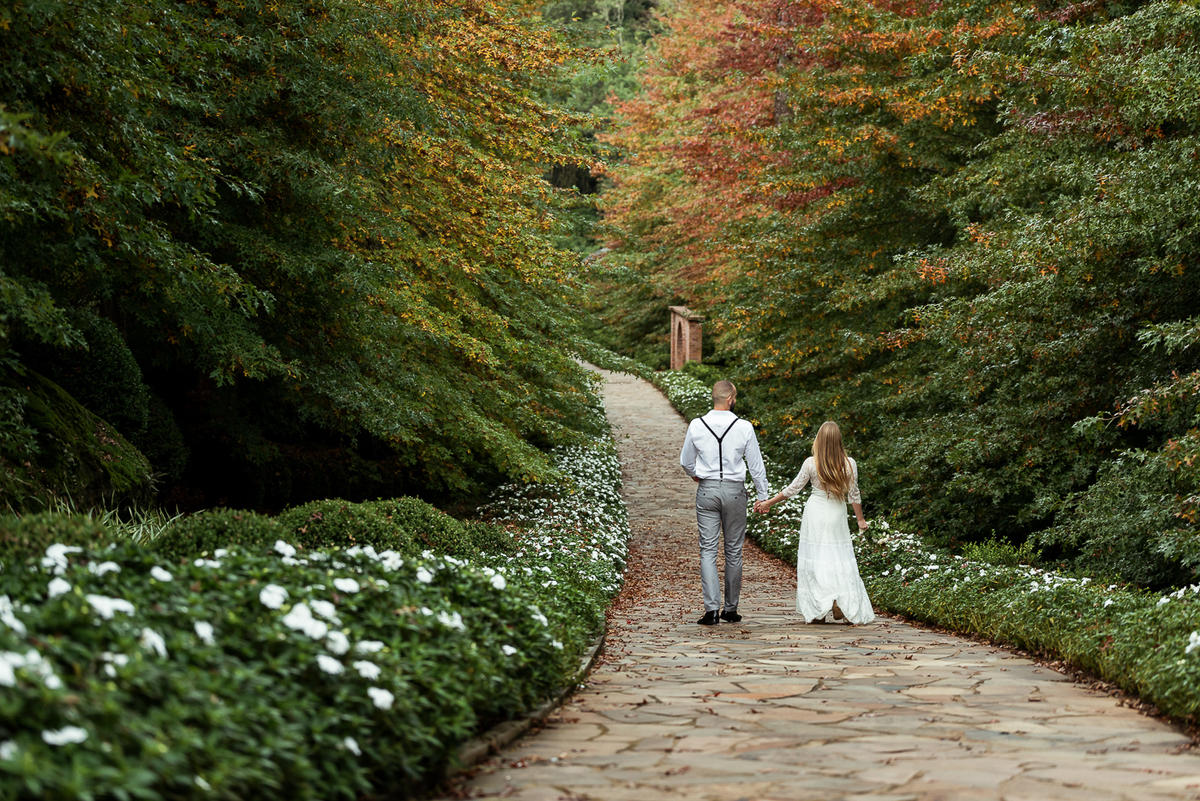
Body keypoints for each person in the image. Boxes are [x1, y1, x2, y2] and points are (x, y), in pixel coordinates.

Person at [754, 420, 875, 625]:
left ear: (819, 439)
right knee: (839, 557)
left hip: (815, 513)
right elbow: (854, 495)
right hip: (836, 512)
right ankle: (841, 602)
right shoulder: (849, 464)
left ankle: (819, 610)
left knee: (816, 558)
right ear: (838, 440)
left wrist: (769, 503)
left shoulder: (811, 463)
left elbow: (793, 489)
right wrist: (860, 520)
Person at [679, 380, 770, 625]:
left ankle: (711, 611)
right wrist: (762, 495)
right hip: (734, 491)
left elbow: (685, 461)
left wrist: (695, 474)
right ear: (730, 399)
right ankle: (730, 609)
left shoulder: (697, 424)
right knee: (733, 551)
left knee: (708, 550)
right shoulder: (744, 426)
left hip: (707, 490)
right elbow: (756, 465)